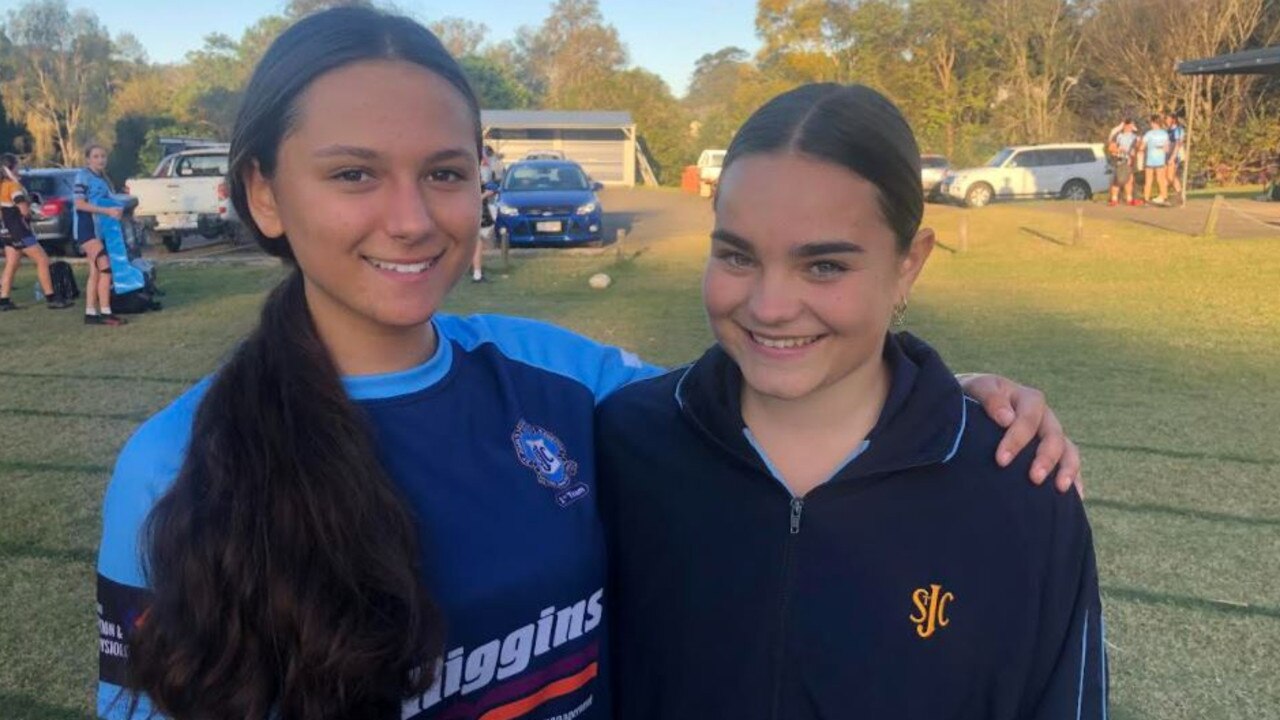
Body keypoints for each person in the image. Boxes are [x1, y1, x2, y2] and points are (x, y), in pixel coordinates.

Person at [95, 9, 1082, 720]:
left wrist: (946, 408)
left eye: (443, 173)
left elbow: (769, 397)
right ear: (263, 194)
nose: (409, 217)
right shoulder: (174, 462)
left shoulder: (563, 383)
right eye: (353, 174)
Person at [596, 84, 1106, 719]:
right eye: (736, 255)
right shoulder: (622, 445)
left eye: (825, 266)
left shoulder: (1018, 489)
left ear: (909, 264)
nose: (770, 306)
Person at [0, 154, 71, 310]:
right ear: (10, 168)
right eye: (17, 165)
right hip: (20, 231)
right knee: (42, 260)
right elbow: (24, 210)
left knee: (11, 264)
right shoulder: (14, 187)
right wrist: (32, 210)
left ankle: (4, 300)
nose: (19, 169)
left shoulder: (2, 186)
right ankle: (51, 297)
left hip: (6, 231)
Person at [74, 144, 127, 325]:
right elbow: (79, 204)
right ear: (88, 159)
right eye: (96, 156)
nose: (100, 160)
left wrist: (119, 210)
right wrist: (106, 211)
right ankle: (105, 312)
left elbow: (111, 201)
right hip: (87, 228)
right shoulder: (83, 176)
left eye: (103, 156)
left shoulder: (103, 179)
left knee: (95, 271)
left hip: (100, 229)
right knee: (106, 268)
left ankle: (90, 313)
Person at [471, 145, 500, 283]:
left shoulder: (480, 172)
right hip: (472, 211)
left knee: (478, 241)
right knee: (476, 241)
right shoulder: (470, 174)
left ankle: (477, 273)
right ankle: (476, 274)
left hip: (479, 210)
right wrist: (485, 194)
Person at [1139, 114, 1170, 206]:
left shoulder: (1149, 134)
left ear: (1152, 123)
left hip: (1150, 160)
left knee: (1148, 181)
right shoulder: (1164, 134)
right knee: (1161, 180)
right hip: (1160, 160)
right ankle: (1164, 198)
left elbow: (1142, 147)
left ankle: (1146, 200)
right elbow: (1167, 149)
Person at [1107, 118, 1140, 206]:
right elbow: (1111, 148)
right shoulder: (1118, 135)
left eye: (1132, 125)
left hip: (1130, 160)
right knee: (1117, 179)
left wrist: (1132, 156)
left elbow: (1137, 147)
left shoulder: (1135, 136)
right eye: (1130, 125)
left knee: (1129, 179)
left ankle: (1129, 199)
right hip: (1119, 159)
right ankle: (1114, 199)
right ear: (1125, 125)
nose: (1131, 127)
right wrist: (1119, 150)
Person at [1165, 112, 1186, 202]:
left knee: (1170, 175)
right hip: (1168, 155)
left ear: (1173, 119)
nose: (1166, 120)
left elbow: (1178, 143)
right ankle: (1175, 194)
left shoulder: (1178, 130)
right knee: (1168, 176)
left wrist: (1173, 157)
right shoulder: (1168, 130)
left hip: (1175, 155)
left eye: (1168, 118)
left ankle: (1166, 194)